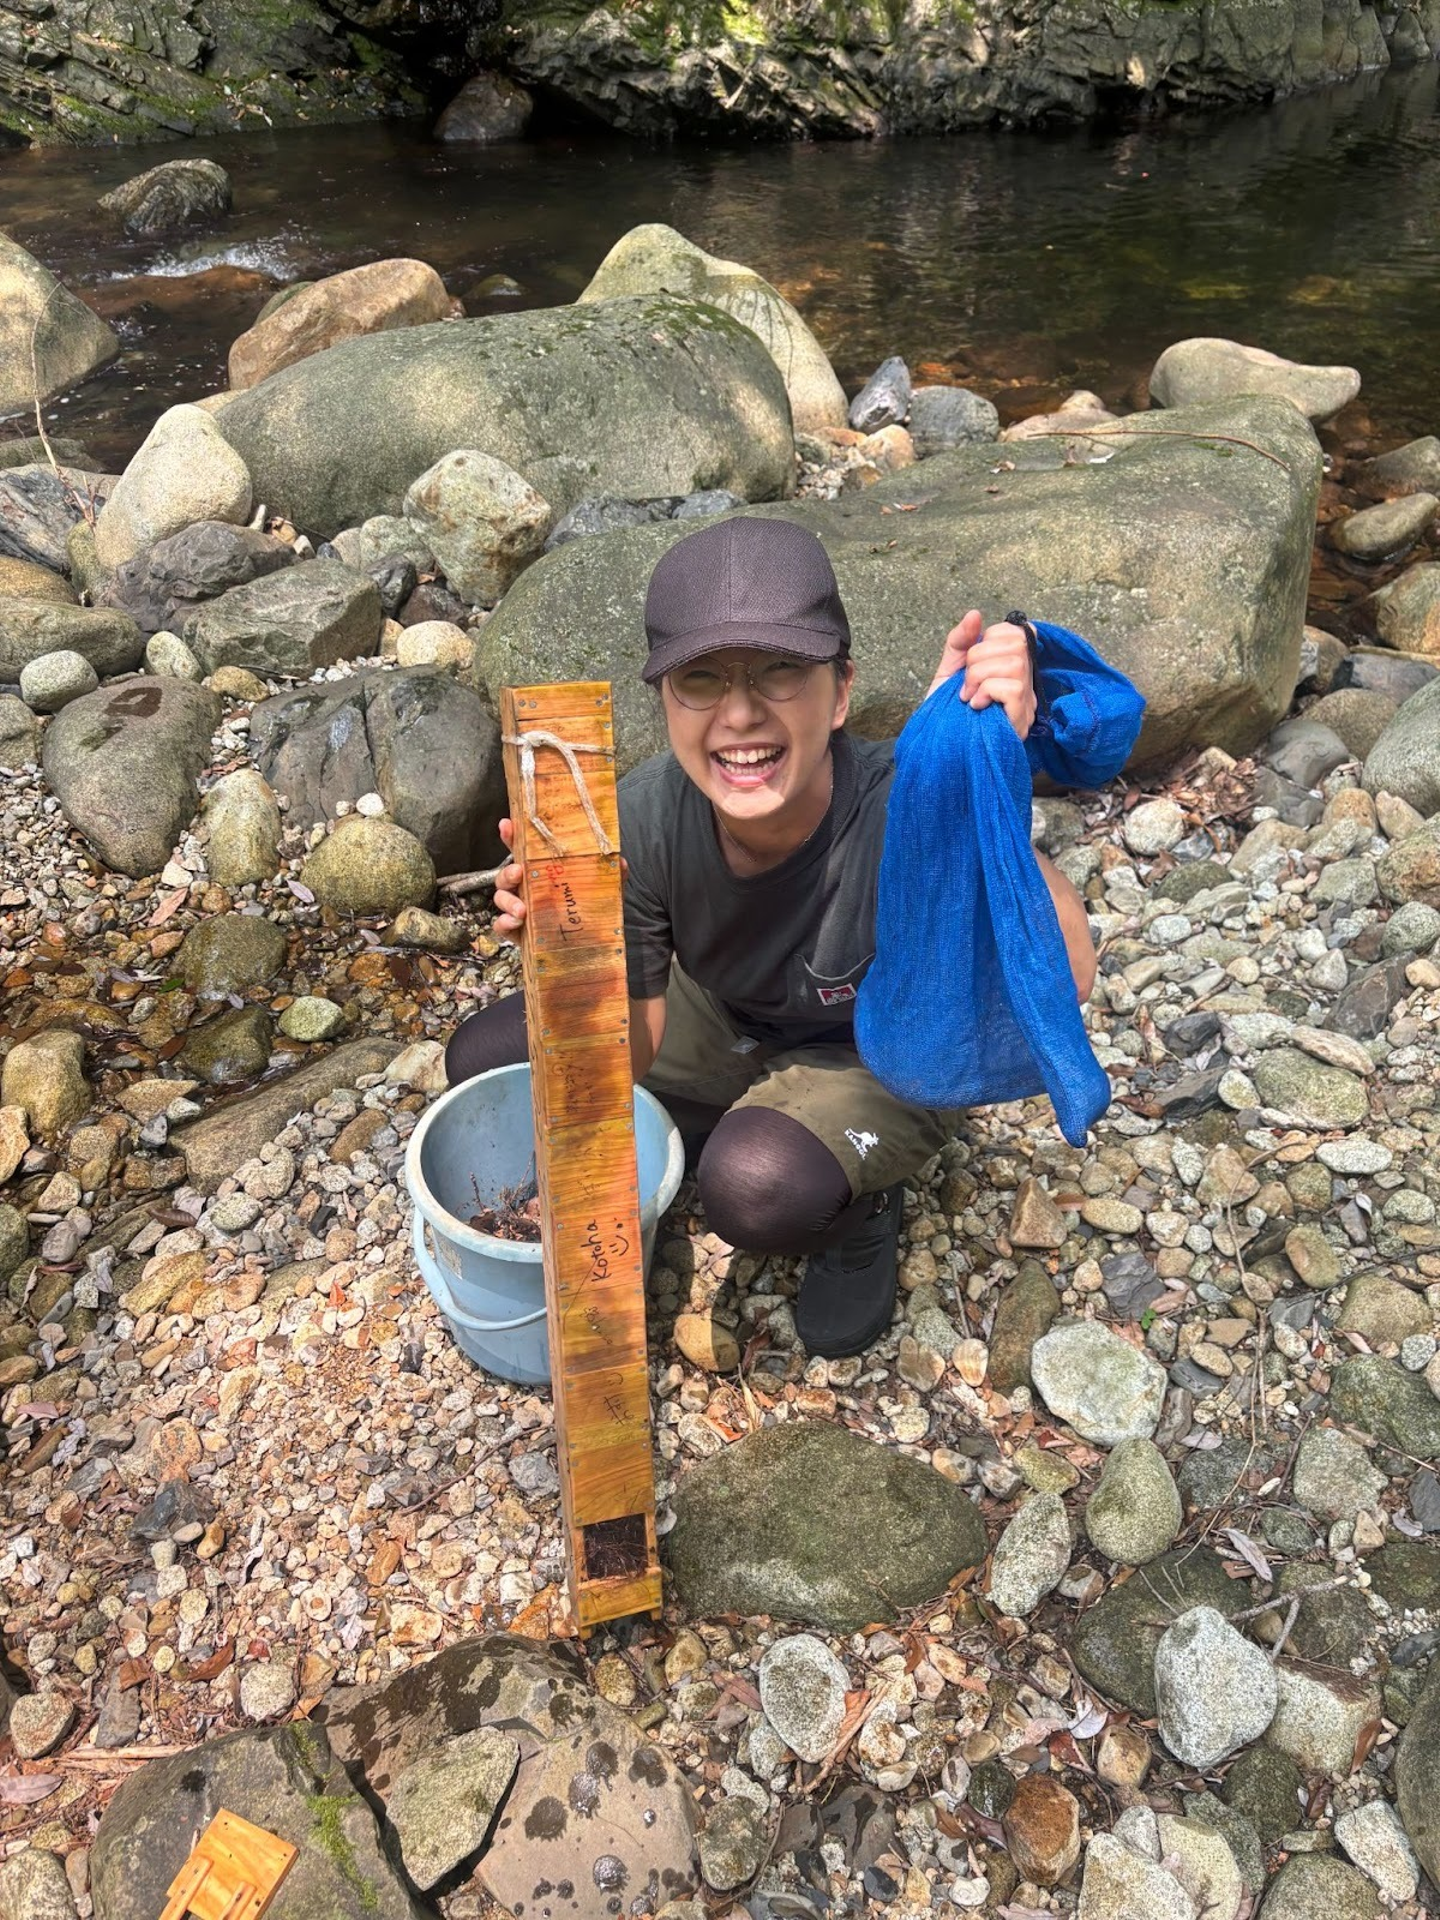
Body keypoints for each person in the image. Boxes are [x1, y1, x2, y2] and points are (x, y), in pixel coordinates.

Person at [445, 516, 1096, 1358]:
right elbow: (627, 1056)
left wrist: (975, 787)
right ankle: (741, 1114)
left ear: (842, 691)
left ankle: (862, 1196)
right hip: (726, 1012)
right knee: (485, 1058)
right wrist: (566, 957)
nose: (740, 714)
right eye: (701, 679)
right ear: (664, 705)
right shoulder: (640, 819)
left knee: (754, 1187)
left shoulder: (905, 802)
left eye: (781, 671)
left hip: (874, 1049)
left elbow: (1068, 975)